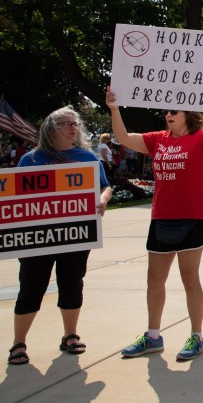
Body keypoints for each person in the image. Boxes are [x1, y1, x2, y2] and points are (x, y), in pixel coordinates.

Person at [107, 87, 203, 361]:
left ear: (187, 114)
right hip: (161, 218)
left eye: (173, 111)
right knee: (154, 279)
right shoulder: (158, 140)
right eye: (166, 111)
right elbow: (122, 138)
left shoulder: (202, 138)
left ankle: (196, 335)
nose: (168, 114)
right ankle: (153, 336)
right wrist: (114, 108)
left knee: (189, 278)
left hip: (193, 218)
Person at [8, 107, 113, 366]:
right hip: (38, 237)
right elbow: (17, 196)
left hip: (76, 234)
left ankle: (70, 336)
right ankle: (18, 344)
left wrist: (102, 200)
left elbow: (105, 186)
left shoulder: (86, 156)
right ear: (50, 129)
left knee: (72, 283)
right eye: (65, 123)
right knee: (31, 286)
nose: (72, 128)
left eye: (75, 124)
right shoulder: (30, 160)